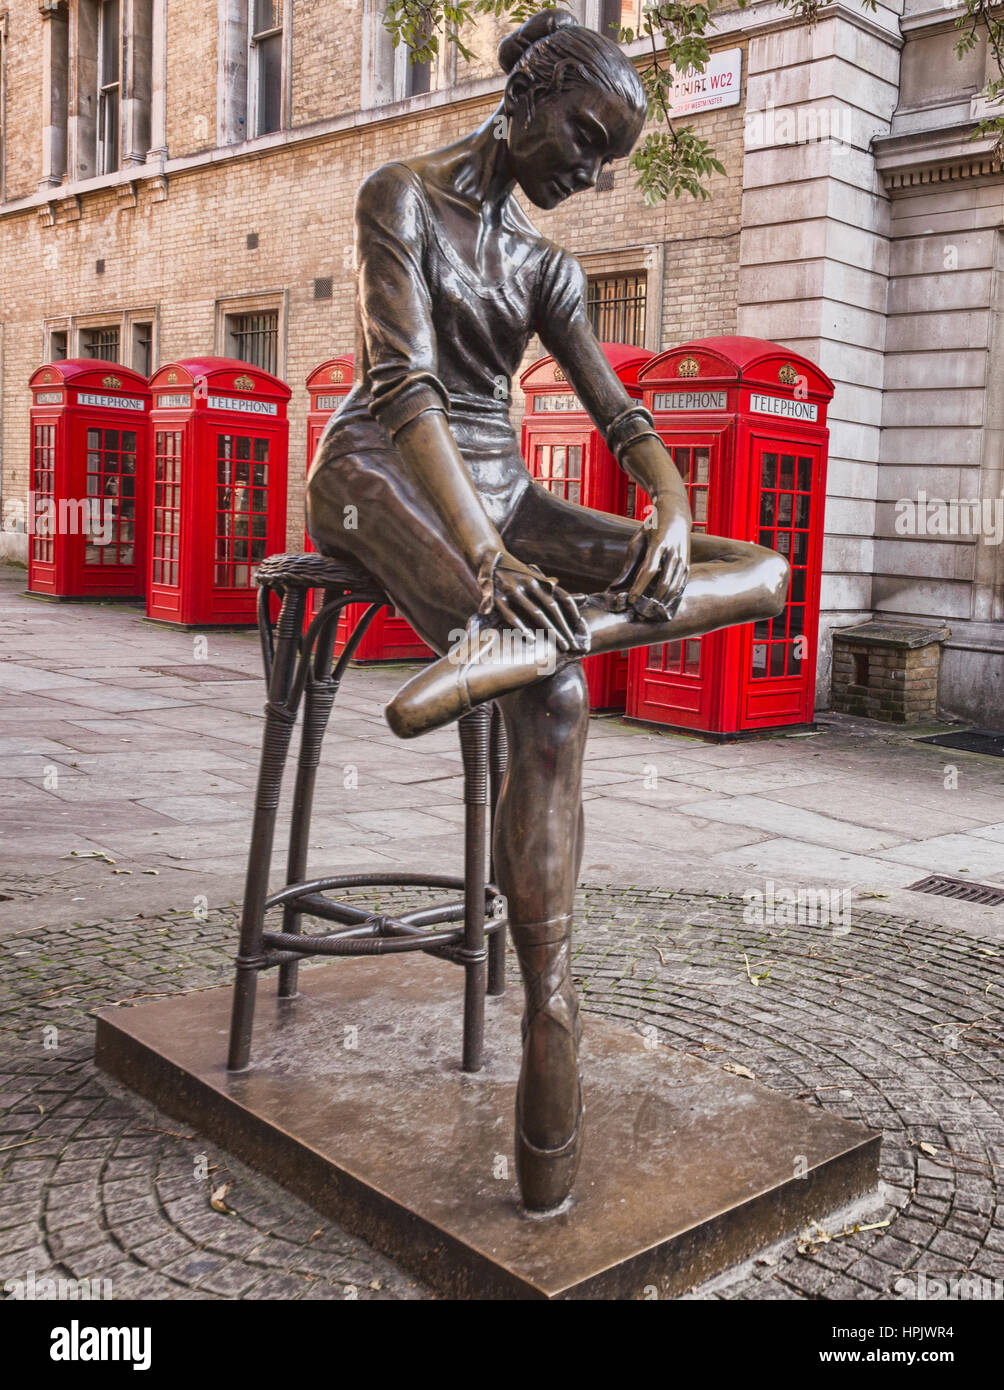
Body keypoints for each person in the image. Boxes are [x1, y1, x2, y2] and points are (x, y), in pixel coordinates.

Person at [307, 8, 789, 1213]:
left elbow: (621, 416)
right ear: (524, 95)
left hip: (505, 491)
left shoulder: (548, 267)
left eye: (610, 155)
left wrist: (670, 511)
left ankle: (501, 650)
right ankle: (552, 1000)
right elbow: (404, 387)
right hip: (380, 475)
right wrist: (482, 562)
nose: (591, 169)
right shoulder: (399, 195)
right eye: (583, 136)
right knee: (557, 684)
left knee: (759, 568)